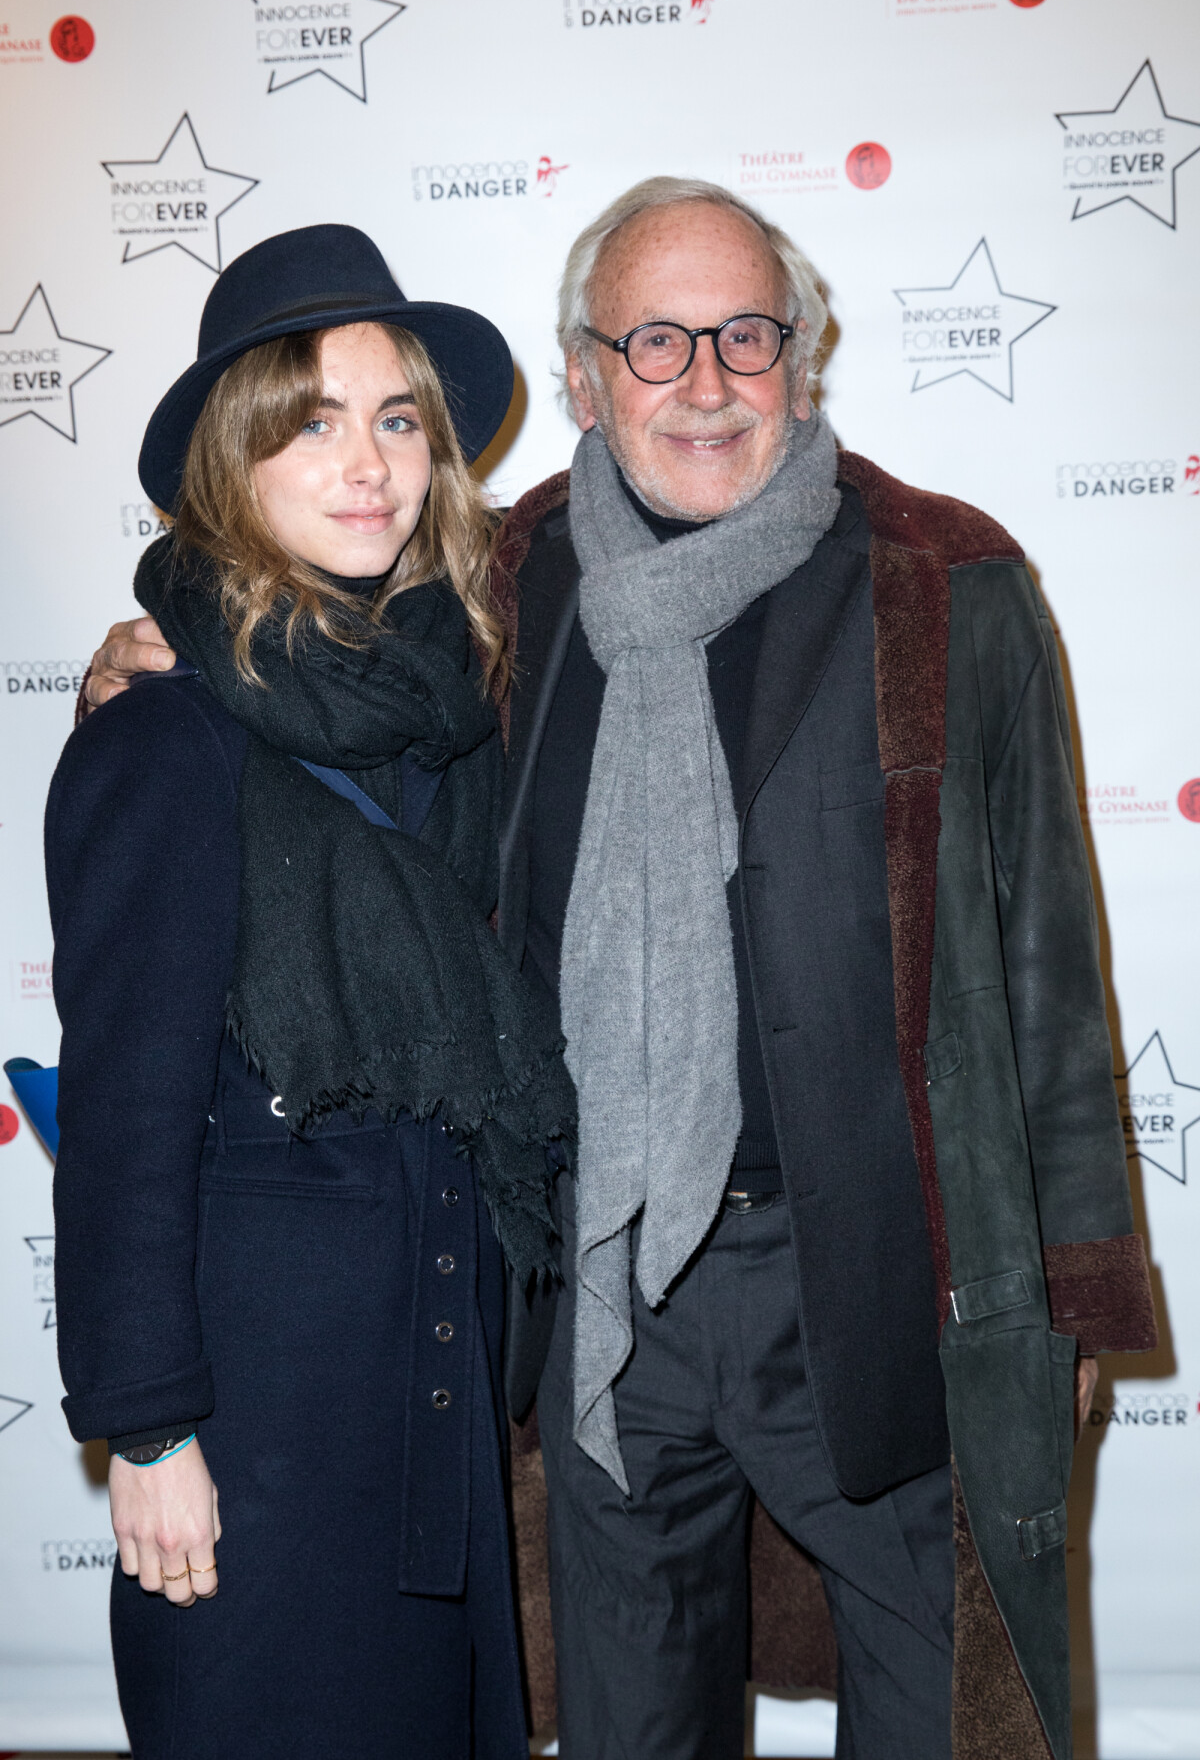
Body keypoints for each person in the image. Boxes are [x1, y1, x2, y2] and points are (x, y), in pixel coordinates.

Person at [84, 180, 1159, 1760]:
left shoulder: (947, 581)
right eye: (655, 341)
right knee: (628, 1723)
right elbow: (304, 692)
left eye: (744, 334)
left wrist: (1067, 1299)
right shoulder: (507, 591)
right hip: (599, 1305)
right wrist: (144, 655)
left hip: (877, 1282)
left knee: (951, 1711)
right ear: (584, 377)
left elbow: (1050, 969)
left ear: (803, 355)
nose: (705, 380)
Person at [49, 223, 573, 1760]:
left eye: (397, 419)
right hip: (253, 1418)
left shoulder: (448, 714)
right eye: (313, 423)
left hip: (428, 1397)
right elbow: (130, 1111)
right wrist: (148, 1427)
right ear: (234, 462)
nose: (368, 465)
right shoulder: (163, 734)